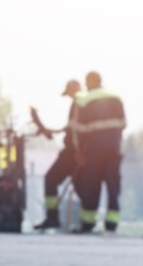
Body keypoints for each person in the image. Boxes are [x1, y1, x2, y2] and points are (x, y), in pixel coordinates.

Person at [72, 71, 127, 234]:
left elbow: (78, 130)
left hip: (93, 151)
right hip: (113, 150)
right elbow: (123, 123)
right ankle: (111, 224)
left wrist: (79, 152)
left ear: (88, 82)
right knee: (113, 186)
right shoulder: (116, 97)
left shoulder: (83, 101)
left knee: (91, 186)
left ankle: (88, 223)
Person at [33, 79, 84, 231]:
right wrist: (51, 131)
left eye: (69, 93)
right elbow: (70, 128)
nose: (68, 96)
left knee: (51, 179)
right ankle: (86, 221)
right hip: (77, 151)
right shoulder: (81, 104)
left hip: (72, 152)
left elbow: (75, 131)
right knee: (81, 186)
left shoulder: (78, 103)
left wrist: (77, 151)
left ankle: (53, 217)